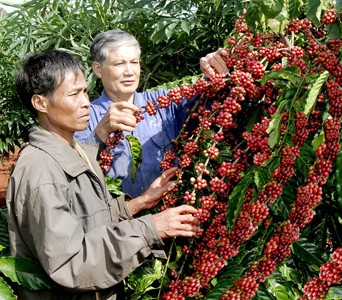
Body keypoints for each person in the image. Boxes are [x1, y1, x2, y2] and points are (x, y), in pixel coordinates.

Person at [7, 49, 202, 299]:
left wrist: (140, 203)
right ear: (40, 103)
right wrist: (151, 228)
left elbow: (88, 219)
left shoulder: (74, 151)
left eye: (86, 91)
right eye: (74, 94)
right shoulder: (41, 171)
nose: (86, 102)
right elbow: (72, 263)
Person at [74, 29, 229, 198]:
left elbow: (206, 102)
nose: (129, 71)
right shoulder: (85, 117)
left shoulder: (161, 102)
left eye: (134, 62)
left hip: (170, 213)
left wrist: (215, 70)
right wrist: (101, 133)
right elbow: (74, 169)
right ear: (98, 69)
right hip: (121, 220)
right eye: (119, 64)